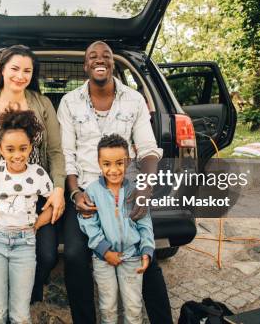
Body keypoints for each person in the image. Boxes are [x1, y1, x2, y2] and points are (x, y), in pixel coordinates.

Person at [57, 40, 173, 323]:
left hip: (126, 190)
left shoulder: (134, 100)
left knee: (148, 255)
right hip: (85, 191)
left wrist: (144, 190)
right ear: (85, 66)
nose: (100, 60)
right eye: (93, 56)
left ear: (113, 64)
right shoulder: (69, 102)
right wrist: (74, 195)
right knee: (73, 255)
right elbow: (66, 155)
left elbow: (147, 149)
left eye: (106, 56)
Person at [0, 45, 66, 303]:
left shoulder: (42, 103)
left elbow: (55, 151)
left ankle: (26, 296)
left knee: (48, 255)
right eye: (15, 68)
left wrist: (59, 188)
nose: (20, 75)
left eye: (27, 70)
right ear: (3, 69)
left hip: (36, 193)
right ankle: (2, 300)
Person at [0, 110, 54, 323]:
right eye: (10, 149)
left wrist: (36, 225)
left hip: (25, 245)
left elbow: (52, 204)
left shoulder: (38, 174)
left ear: (31, 147)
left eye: (23, 148)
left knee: (20, 315)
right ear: (0, 148)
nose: (17, 155)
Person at [78, 134, 154, 324]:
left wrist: (147, 249)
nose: (113, 170)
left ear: (127, 161)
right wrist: (104, 250)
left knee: (134, 307)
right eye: (107, 164)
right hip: (103, 259)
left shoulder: (135, 191)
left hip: (132, 256)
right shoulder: (92, 191)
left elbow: (145, 223)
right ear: (99, 163)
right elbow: (88, 224)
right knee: (108, 307)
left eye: (119, 163)